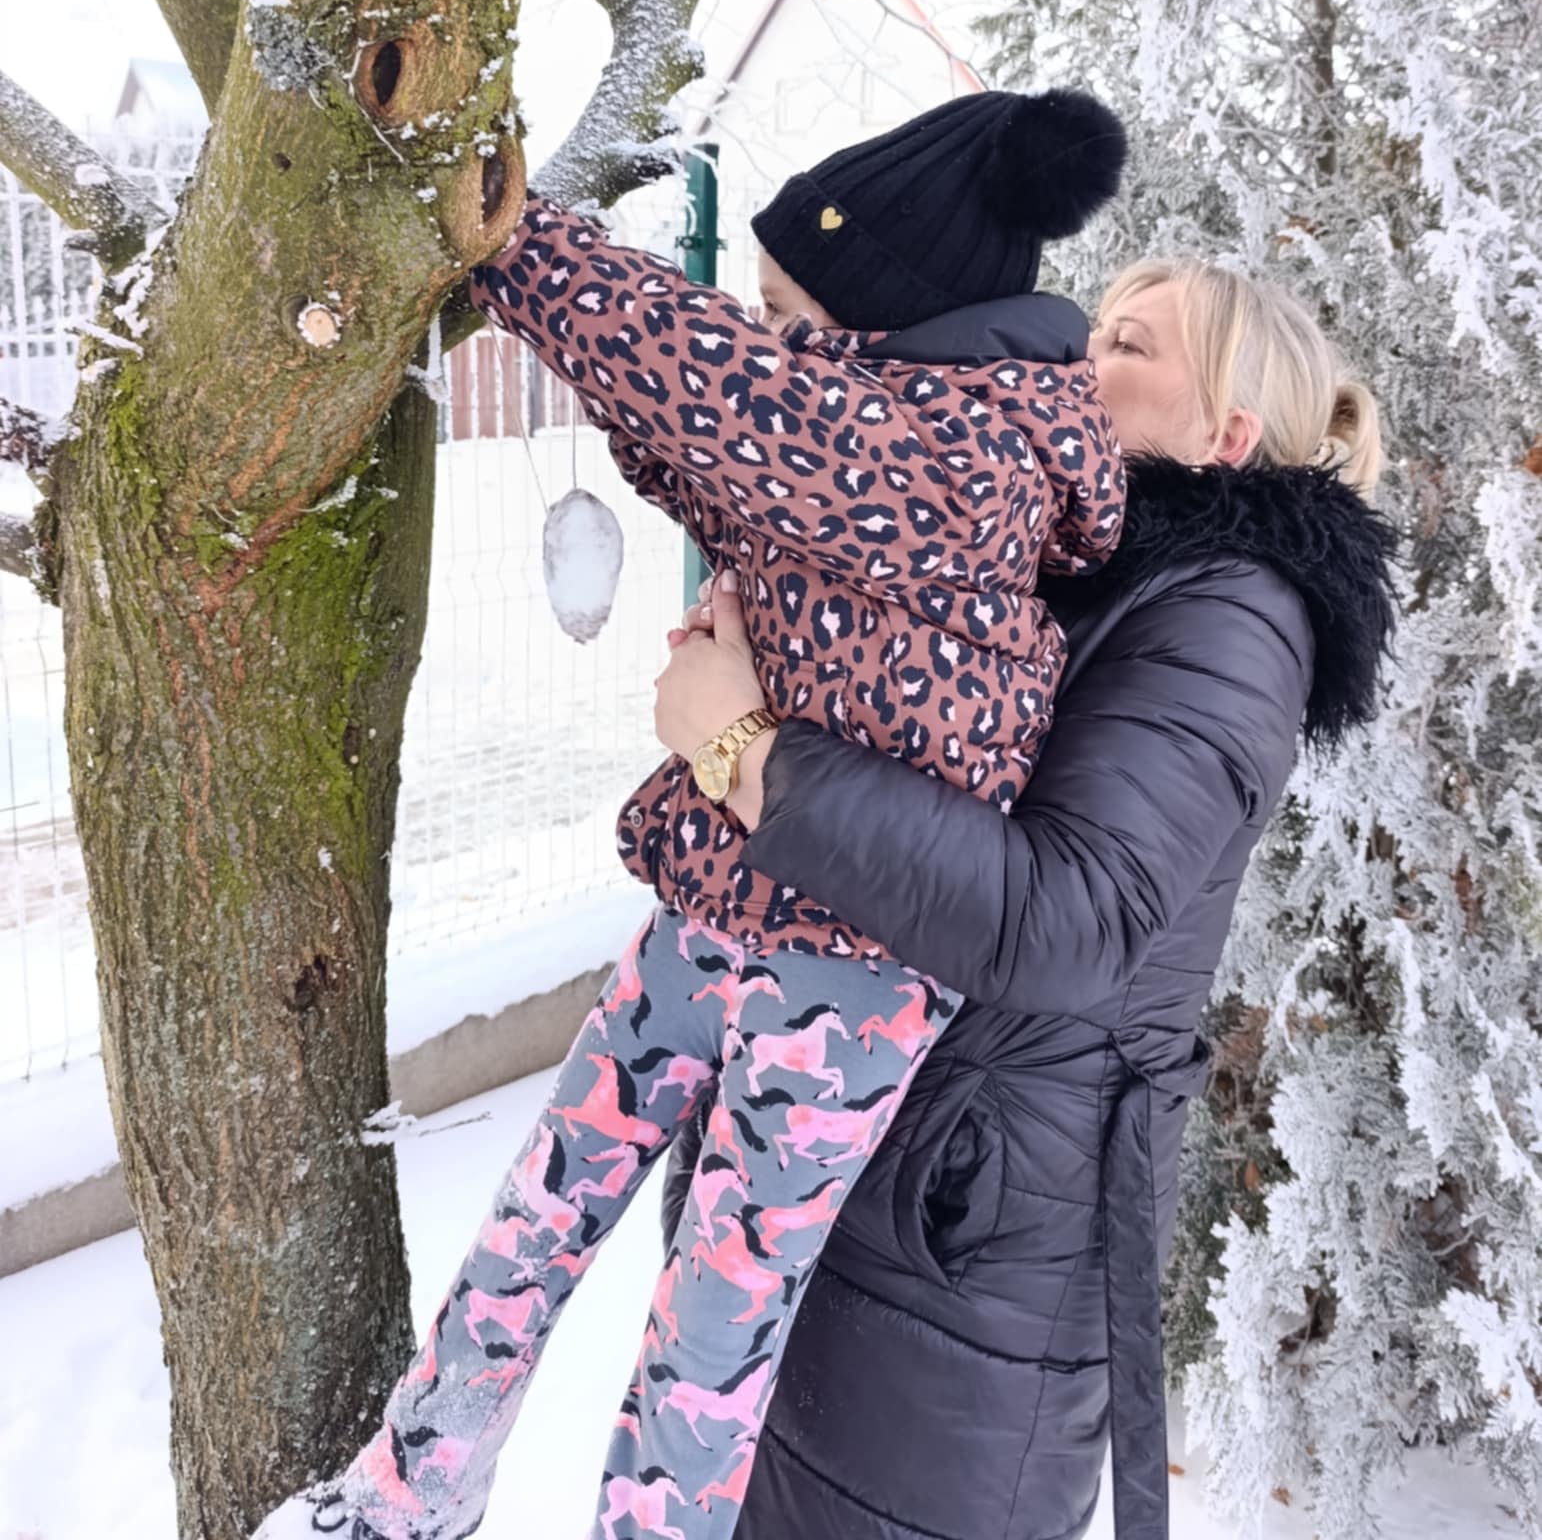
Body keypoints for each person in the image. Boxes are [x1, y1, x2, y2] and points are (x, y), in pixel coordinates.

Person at [252, 87, 1129, 1540]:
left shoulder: (960, 456)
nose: (762, 335)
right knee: (538, 1211)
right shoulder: (859, 441)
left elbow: (716, 390)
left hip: (849, 980)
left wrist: (523, 247)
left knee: (714, 1333)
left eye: (787, 315)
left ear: (881, 322)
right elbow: (713, 438)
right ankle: (407, 1493)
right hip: (714, 905)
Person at [650, 256, 1397, 1540]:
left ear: (1224, 436)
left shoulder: (1234, 617)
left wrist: (751, 752)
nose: (1076, 361)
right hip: (861, 1164)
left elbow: (1069, 918)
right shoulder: (1049, 550)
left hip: (961, 1247)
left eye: (1128, 346)